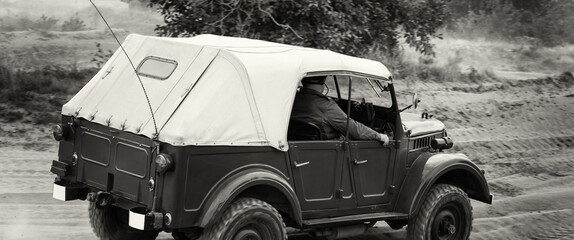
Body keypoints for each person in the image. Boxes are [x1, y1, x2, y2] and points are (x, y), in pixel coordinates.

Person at [290, 76, 389, 144]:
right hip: (329, 149)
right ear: (322, 81)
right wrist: (378, 136)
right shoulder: (325, 105)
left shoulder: (293, 99)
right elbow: (352, 128)